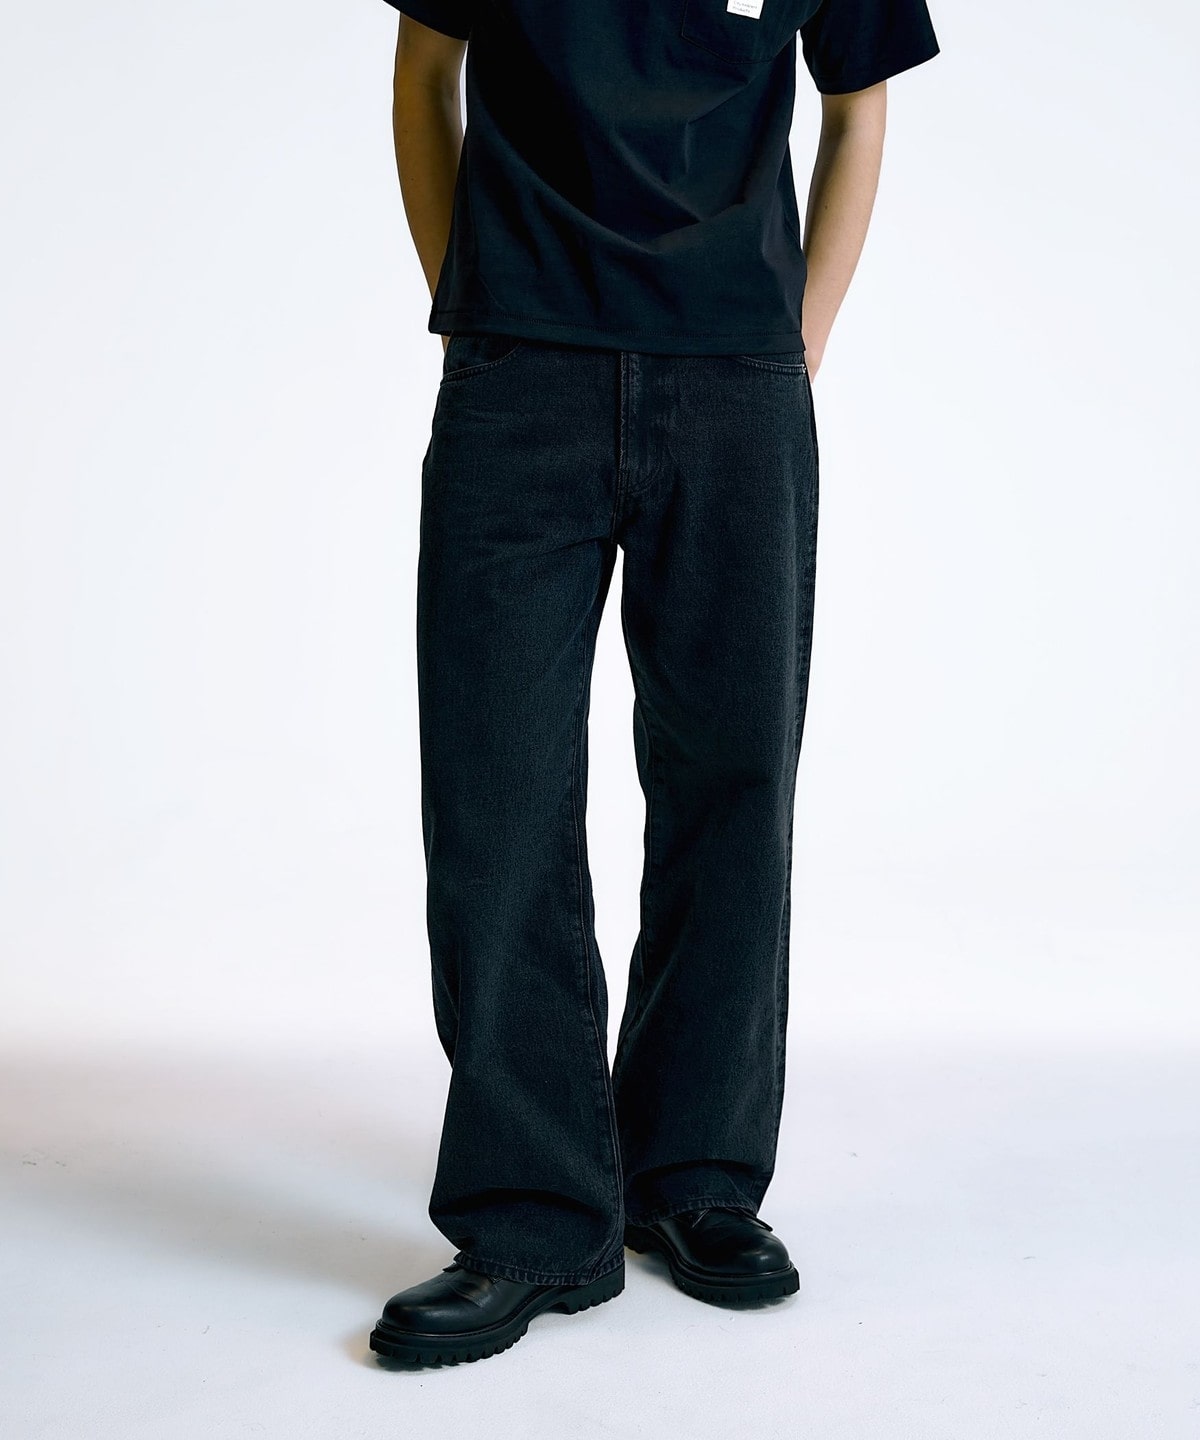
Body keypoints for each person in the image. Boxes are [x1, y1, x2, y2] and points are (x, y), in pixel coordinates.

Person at [368, 0, 940, 1366]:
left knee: (732, 786)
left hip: (737, 382)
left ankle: (694, 1175)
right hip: (521, 376)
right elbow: (423, 72)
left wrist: (796, 341)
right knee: (497, 796)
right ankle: (532, 1217)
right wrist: (471, 308)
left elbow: (860, 104)